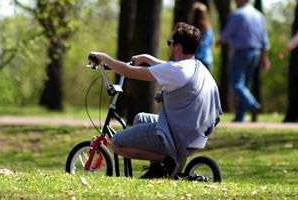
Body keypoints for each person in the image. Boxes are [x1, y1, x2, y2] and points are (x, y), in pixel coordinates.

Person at [89, 23, 223, 179]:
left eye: (170, 43)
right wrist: (146, 58)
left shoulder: (176, 71)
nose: (170, 46)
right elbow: (167, 67)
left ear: (178, 47)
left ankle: (168, 161)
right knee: (140, 118)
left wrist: (104, 58)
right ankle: (157, 171)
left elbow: (129, 72)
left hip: (176, 135)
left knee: (116, 143)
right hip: (194, 132)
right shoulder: (196, 67)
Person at [219, 0, 270, 122]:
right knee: (244, 85)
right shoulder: (259, 15)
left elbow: (227, 33)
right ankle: (240, 117)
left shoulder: (238, 14)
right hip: (256, 53)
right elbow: (264, 39)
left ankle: (253, 104)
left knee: (236, 83)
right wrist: (265, 58)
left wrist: (219, 41)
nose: (235, 2)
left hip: (241, 52)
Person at [191, 2, 214, 72]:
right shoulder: (209, 27)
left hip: (196, 61)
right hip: (208, 59)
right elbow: (211, 43)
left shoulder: (193, 28)